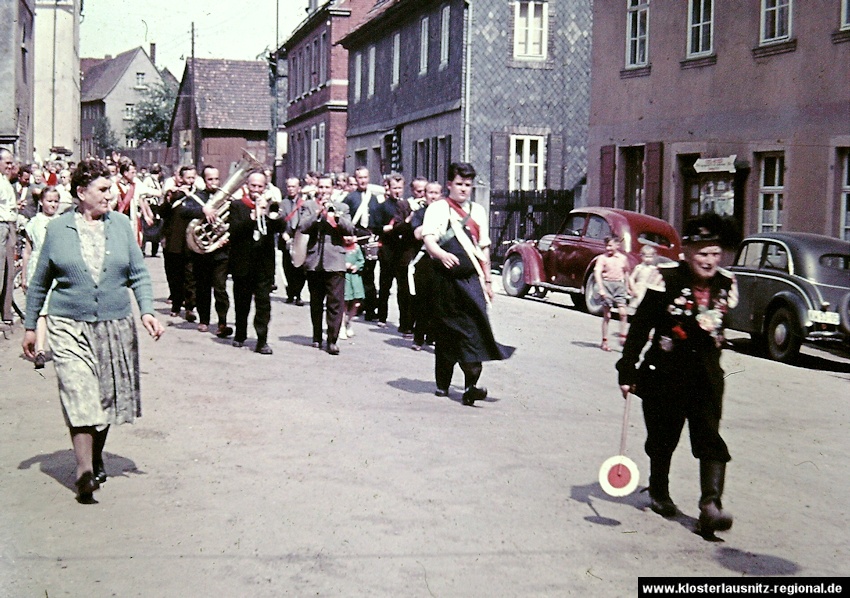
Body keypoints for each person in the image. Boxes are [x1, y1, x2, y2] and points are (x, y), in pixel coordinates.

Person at [21, 159, 164, 504]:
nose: (111, 195)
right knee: (79, 392)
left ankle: (96, 455)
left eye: (111, 188)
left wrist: (146, 310)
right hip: (68, 323)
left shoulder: (120, 226)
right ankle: (84, 470)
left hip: (114, 323)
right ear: (81, 193)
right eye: (103, 189)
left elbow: (138, 274)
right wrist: (30, 327)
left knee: (104, 398)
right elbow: (40, 283)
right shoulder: (58, 230)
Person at [616, 213, 738, 537]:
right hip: (665, 375)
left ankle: (710, 506)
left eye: (715, 253)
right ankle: (659, 491)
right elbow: (641, 327)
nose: (710, 261)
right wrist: (626, 369)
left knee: (710, 439)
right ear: (687, 251)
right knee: (663, 438)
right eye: (702, 253)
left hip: (706, 377)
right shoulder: (664, 280)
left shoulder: (726, 284)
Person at [421, 162, 513, 406]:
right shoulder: (438, 209)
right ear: (449, 185)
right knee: (446, 332)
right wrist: (441, 254)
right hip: (444, 282)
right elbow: (429, 240)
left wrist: (488, 281)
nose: (463, 189)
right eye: (459, 184)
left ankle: (471, 385)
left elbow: (483, 249)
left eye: (468, 185)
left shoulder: (478, 211)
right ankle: (442, 383)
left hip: (470, 281)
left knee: (476, 329)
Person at [228, 171, 284, 354]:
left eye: (260, 186)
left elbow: (280, 227)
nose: (257, 190)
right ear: (247, 186)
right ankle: (240, 334)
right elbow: (235, 231)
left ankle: (262, 340)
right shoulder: (237, 206)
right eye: (253, 186)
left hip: (263, 265)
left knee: (263, 304)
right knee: (241, 302)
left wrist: (270, 213)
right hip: (242, 263)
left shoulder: (269, 206)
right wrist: (253, 216)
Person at [300, 175, 355, 355]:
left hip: (335, 262)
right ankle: (317, 336)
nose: (323, 191)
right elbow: (302, 226)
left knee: (335, 303)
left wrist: (335, 216)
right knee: (316, 302)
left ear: (332, 189)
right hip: (314, 262)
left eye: (326, 188)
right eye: (321, 188)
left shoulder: (342, 207)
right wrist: (317, 214)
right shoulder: (309, 206)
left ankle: (332, 340)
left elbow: (349, 228)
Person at [20, 186, 61, 368]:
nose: (52, 204)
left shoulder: (62, 222)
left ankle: (61, 347)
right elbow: (27, 252)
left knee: (57, 310)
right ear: (41, 202)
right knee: (41, 310)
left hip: (58, 267)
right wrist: (24, 275)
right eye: (49, 201)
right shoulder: (34, 223)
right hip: (38, 267)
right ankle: (40, 350)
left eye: (55, 201)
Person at [191, 166, 232, 337]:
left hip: (221, 251)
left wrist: (226, 236)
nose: (214, 183)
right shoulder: (197, 197)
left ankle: (222, 321)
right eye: (210, 179)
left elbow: (234, 218)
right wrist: (203, 210)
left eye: (216, 179)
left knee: (220, 288)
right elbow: (184, 211)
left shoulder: (226, 198)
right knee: (202, 287)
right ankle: (204, 319)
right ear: (204, 180)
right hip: (202, 252)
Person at [373, 173, 415, 332]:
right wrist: (383, 229)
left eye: (400, 188)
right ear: (388, 189)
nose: (397, 191)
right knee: (385, 285)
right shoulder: (382, 207)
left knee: (403, 287)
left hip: (402, 250)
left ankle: (404, 321)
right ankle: (382, 316)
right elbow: (375, 226)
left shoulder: (406, 205)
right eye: (394, 188)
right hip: (388, 249)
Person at [159, 166, 201, 322]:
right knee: (174, 275)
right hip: (173, 240)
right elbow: (162, 212)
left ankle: (190, 307)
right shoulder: (174, 194)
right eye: (187, 178)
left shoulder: (197, 195)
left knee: (190, 276)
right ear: (180, 178)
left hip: (190, 241)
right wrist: (169, 199)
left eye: (192, 177)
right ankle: (176, 304)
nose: (190, 181)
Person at [343, 167, 379, 320]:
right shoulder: (350, 198)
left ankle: (371, 309)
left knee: (369, 275)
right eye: (359, 178)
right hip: (355, 237)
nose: (363, 180)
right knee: (355, 274)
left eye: (365, 177)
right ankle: (356, 306)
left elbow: (377, 218)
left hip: (369, 237)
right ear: (355, 179)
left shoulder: (374, 198)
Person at [410, 181, 442, 351]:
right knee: (422, 301)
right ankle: (418, 338)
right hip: (423, 261)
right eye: (430, 192)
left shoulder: (446, 214)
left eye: (436, 193)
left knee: (439, 302)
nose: (433, 196)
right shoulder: (420, 213)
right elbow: (416, 234)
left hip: (440, 261)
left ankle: (433, 336)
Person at [110, 157, 157, 248]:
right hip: (118, 220)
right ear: (125, 172)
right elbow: (110, 205)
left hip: (132, 219)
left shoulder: (135, 184)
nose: (135, 175)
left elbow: (141, 198)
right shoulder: (114, 184)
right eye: (132, 172)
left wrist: (147, 214)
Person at [594, 236, 630, 351]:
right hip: (607, 285)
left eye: (610, 245)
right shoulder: (602, 258)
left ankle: (623, 337)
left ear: (617, 245)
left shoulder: (623, 258)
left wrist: (628, 288)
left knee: (623, 313)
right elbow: (597, 273)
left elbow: (626, 273)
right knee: (607, 315)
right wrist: (601, 288)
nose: (607, 248)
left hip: (619, 286)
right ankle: (604, 341)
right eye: (606, 246)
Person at [279, 177, 307, 305]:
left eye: (293, 186)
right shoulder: (282, 203)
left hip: (300, 238)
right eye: (289, 186)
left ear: (299, 188)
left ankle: (298, 294)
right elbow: (279, 219)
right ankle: (290, 292)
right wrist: (283, 232)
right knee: (287, 267)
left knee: (300, 268)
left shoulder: (304, 202)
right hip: (287, 237)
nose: (291, 189)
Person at [0, 149, 18, 324]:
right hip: (1, 225)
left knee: (9, 272)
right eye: (7, 162)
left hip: (9, 226)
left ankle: (5, 313)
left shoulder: (5, 181)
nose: (10, 166)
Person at [340, 238, 365, 340]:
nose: (348, 239)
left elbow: (361, 260)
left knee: (356, 302)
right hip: (344, 277)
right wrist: (343, 265)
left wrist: (356, 266)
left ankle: (349, 323)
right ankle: (341, 327)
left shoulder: (356, 248)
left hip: (355, 278)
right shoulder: (339, 247)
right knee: (344, 303)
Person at [628, 245, 660, 314]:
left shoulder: (654, 269)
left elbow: (656, 280)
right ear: (641, 256)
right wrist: (633, 288)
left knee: (647, 309)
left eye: (650, 257)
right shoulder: (639, 267)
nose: (648, 259)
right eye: (646, 257)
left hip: (648, 289)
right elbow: (631, 278)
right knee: (636, 308)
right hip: (639, 288)